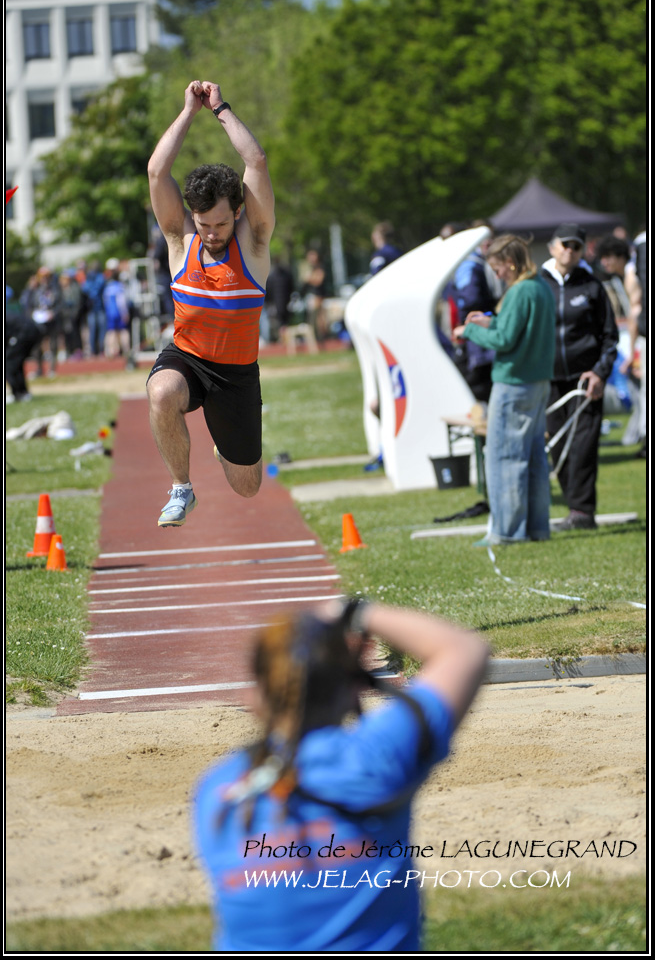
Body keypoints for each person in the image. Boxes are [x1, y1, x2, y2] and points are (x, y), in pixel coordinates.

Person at [193, 598, 489, 952]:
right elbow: (464, 650)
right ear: (352, 690)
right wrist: (351, 611)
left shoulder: (216, 791)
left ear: (255, 697)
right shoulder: (373, 759)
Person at [146, 80, 275, 527]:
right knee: (161, 392)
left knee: (247, 486)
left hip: (237, 374)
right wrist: (188, 112)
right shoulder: (181, 240)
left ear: (237, 212)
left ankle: (227, 445)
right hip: (188, 357)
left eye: (220, 223)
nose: (212, 233)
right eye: (203, 224)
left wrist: (219, 109)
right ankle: (181, 488)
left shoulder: (253, 243)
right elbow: (157, 172)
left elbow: (256, 162)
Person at [453, 234, 556, 545]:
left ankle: (507, 532)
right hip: (538, 382)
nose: (497, 275)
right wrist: (490, 322)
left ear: (510, 263)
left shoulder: (519, 291)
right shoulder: (540, 286)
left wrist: (470, 331)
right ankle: (537, 528)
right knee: (534, 456)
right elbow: (516, 329)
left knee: (505, 457)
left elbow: (505, 341)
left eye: (498, 269)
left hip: (513, 383)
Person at [540, 224, 618, 531]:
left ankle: (582, 512)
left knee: (583, 446)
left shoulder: (592, 286)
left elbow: (610, 337)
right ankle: (574, 508)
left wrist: (600, 372)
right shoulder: (537, 284)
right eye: (565, 244)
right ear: (552, 247)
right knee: (558, 445)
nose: (569, 251)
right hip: (549, 380)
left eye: (576, 246)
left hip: (586, 381)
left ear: (583, 251)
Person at [449, 226, 502, 403]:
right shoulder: (472, 264)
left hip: (480, 332)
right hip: (476, 333)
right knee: (480, 384)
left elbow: (470, 298)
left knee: (483, 382)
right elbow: (470, 299)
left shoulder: (475, 263)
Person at [102, 259, 132, 359]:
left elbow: (105, 301)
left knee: (111, 332)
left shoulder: (108, 287)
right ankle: (126, 350)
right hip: (118, 312)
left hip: (110, 312)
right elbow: (121, 302)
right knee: (123, 331)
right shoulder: (120, 287)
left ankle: (109, 351)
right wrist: (125, 313)